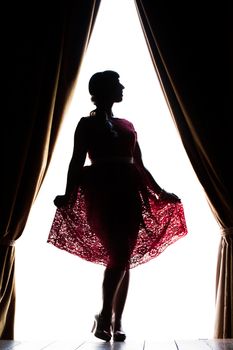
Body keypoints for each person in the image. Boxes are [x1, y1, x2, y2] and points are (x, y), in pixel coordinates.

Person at [47, 70, 188, 342]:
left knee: (123, 257)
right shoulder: (85, 125)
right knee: (120, 254)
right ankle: (105, 314)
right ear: (103, 90)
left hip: (130, 192)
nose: (122, 87)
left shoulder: (128, 124)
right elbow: (76, 160)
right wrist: (67, 194)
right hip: (101, 192)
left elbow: (139, 164)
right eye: (117, 84)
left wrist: (160, 192)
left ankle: (117, 319)